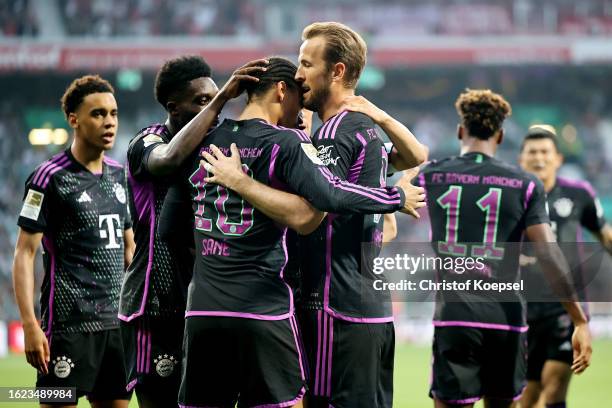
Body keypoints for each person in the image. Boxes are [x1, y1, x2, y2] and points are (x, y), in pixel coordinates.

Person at [159, 57, 421, 408]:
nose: (301, 112)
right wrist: (395, 195)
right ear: (282, 91)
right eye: (299, 96)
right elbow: (313, 212)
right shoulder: (287, 143)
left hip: (203, 311)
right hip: (263, 309)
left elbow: (168, 230)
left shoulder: (202, 142)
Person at [417, 89, 592, 408]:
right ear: (500, 135)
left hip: (456, 317)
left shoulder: (433, 174)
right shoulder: (525, 184)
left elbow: (394, 194)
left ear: (460, 131)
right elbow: (549, 254)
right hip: (507, 319)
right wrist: (579, 320)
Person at [118, 55, 265, 407]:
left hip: (209, 305)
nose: (213, 109)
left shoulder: (218, 151)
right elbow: (167, 159)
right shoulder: (147, 141)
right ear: (173, 107)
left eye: (213, 98)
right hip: (156, 305)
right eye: (201, 100)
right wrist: (221, 100)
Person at [12, 75, 134, 407]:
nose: (109, 122)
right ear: (73, 119)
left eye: (113, 113)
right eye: (98, 114)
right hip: (68, 328)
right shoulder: (49, 178)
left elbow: (129, 250)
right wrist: (29, 324)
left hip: (116, 327)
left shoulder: (121, 175)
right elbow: (25, 253)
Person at [518, 125, 612, 408]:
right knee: (527, 397)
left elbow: (604, 234)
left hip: (565, 308)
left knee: (554, 387)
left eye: (545, 152)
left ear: (558, 158)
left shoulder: (579, 194)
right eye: (532, 152)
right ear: (521, 159)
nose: (539, 158)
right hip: (521, 307)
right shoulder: (511, 195)